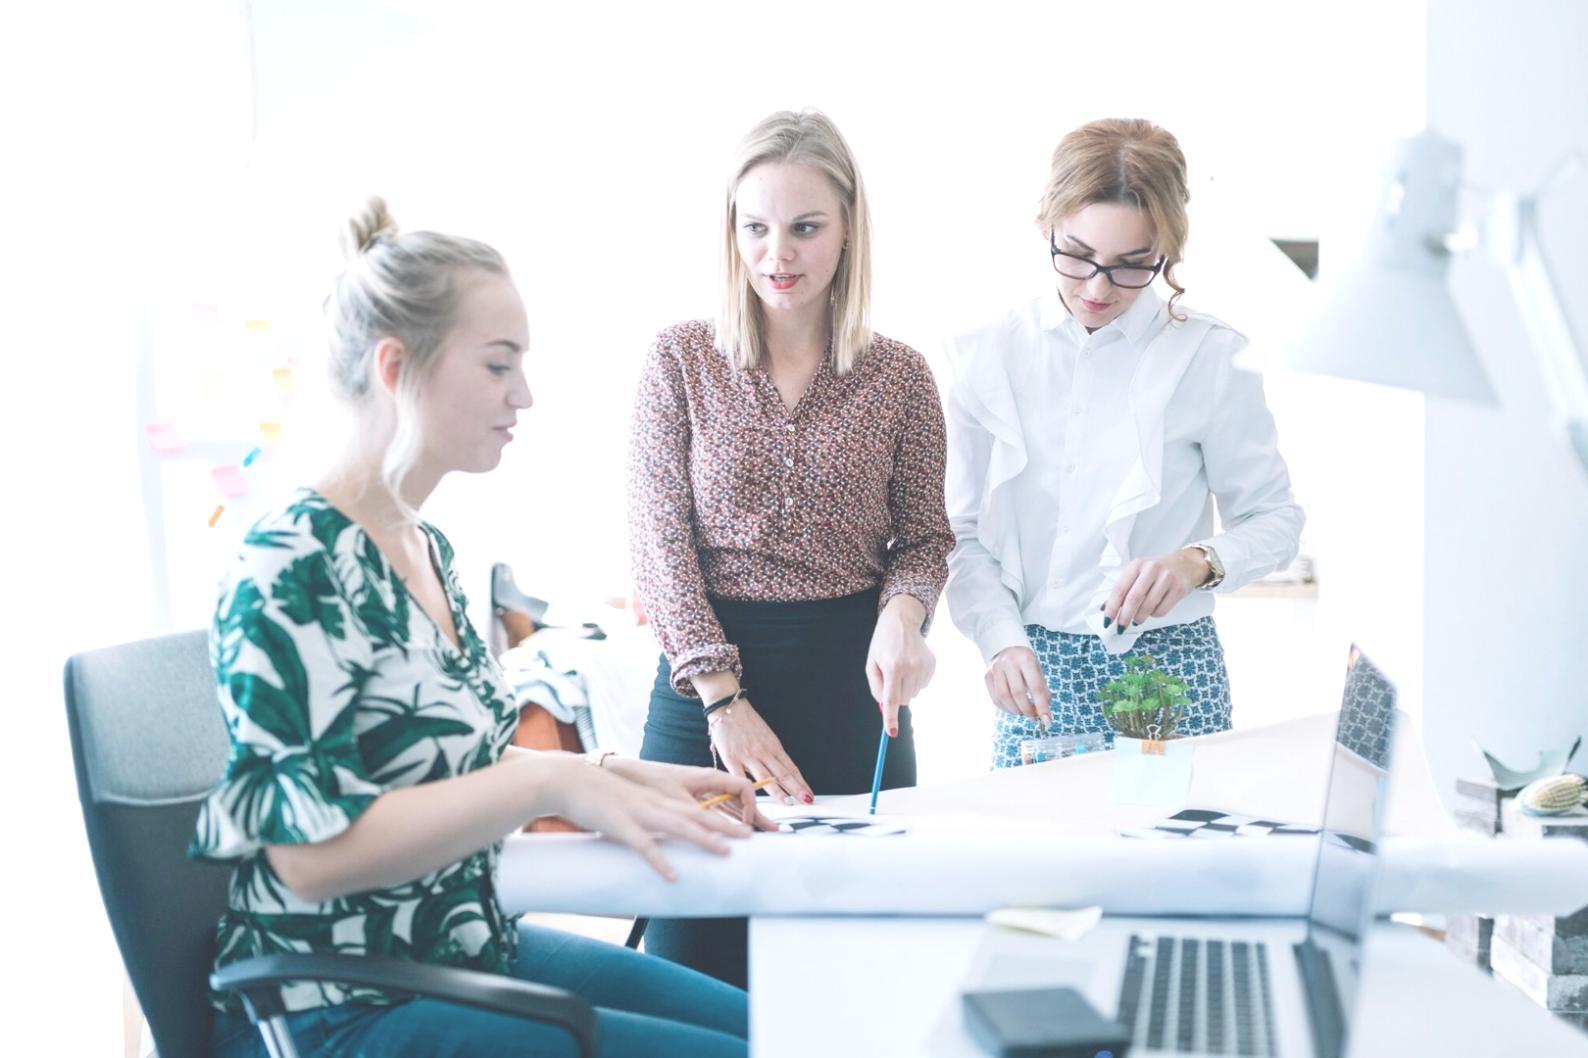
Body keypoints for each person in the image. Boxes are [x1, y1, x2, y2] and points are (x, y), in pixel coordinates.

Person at [193, 197, 772, 1058]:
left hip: (456, 948)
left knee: (782, 1033)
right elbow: (305, 857)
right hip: (337, 1005)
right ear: (397, 367)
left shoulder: (421, 546)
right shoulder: (290, 563)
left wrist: (617, 776)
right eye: (499, 364)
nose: (524, 394)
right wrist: (549, 787)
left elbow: (453, 763)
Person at [627, 109, 954, 986]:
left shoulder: (901, 376)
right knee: (691, 975)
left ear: (848, 230)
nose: (778, 254)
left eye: (806, 228)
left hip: (853, 691)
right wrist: (723, 700)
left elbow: (924, 538)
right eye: (756, 228)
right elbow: (659, 544)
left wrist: (904, 617)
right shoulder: (680, 360)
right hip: (703, 694)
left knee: (854, 971)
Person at [943, 118, 1305, 768]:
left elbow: (1276, 520)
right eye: (1077, 255)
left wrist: (1197, 561)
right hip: (1035, 672)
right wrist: (999, 639)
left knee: (1175, 838)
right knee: (1036, 838)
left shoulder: (1209, 357)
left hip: (1170, 673)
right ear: (1047, 226)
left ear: (1166, 251)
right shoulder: (989, 356)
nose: (1097, 288)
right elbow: (960, 531)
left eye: (1132, 265)